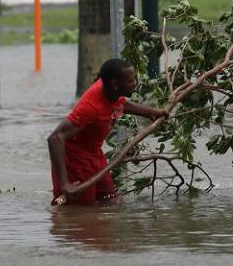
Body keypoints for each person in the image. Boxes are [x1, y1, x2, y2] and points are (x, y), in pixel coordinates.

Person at [47, 58, 168, 206]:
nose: (135, 83)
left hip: (95, 155)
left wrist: (151, 112)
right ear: (115, 84)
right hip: (75, 162)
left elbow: (121, 103)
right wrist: (65, 184)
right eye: (130, 81)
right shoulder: (90, 106)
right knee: (82, 212)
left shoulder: (112, 92)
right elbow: (55, 138)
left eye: (134, 79)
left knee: (113, 201)